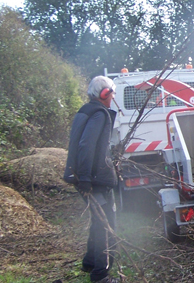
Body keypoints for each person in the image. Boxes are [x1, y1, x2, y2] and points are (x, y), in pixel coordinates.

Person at [64, 76, 119, 283]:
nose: (113, 98)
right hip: (94, 181)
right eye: (111, 94)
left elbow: (91, 146)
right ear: (105, 94)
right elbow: (86, 145)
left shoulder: (84, 111)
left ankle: (89, 262)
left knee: (98, 221)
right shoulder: (99, 114)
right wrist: (87, 177)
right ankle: (100, 275)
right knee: (106, 226)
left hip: (86, 177)